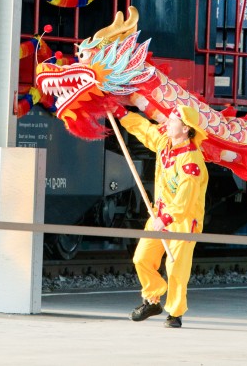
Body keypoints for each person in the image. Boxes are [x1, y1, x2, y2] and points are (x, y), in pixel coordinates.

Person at [108, 102, 208, 329]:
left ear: (186, 129)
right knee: (141, 258)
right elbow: (145, 129)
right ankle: (152, 299)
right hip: (160, 215)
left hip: (183, 221)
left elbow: (186, 198)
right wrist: (121, 113)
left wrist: (167, 218)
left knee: (177, 269)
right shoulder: (165, 143)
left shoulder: (192, 161)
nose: (168, 122)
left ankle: (174, 313)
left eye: (173, 120)